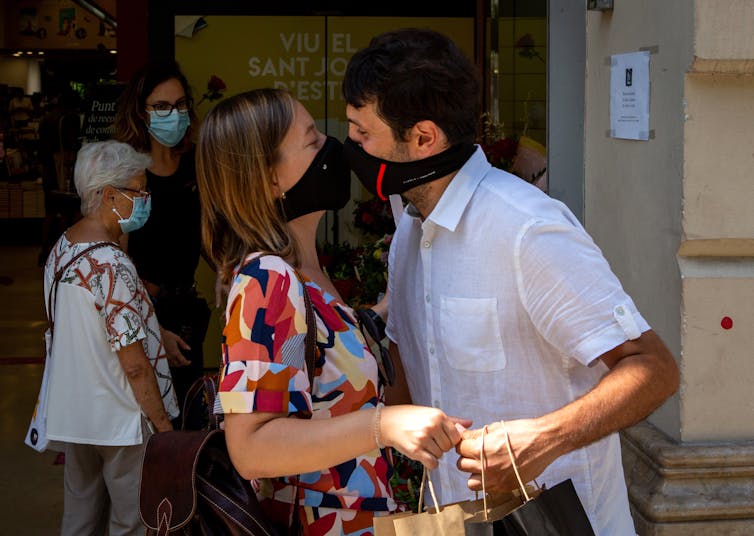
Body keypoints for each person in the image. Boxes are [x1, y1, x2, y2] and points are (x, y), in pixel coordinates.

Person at [341, 27, 679, 535]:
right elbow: (409, 375)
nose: (352, 146)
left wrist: (542, 439)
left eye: (362, 132)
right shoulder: (410, 227)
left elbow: (653, 368)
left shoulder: (527, 229)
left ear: (424, 137)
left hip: (563, 523)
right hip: (455, 522)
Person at [195, 87, 471, 535]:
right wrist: (384, 426)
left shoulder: (305, 276)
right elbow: (252, 446)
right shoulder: (269, 280)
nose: (333, 147)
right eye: (311, 140)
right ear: (268, 178)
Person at [43, 139, 178, 535]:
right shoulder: (111, 264)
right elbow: (134, 366)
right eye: (137, 191)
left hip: (75, 415)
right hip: (121, 419)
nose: (144, 199)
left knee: (80, 517)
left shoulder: (63, 248)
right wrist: (164, 429)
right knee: (131, 521)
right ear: (108, 195)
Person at [112, 59, 211, 421]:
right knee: (153, 424)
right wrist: (155, 330)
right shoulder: (127, 173)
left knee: (190, 415)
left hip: (188, 312)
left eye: (181, 104)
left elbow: (204, 235)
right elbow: (116, 263)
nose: (174, 113)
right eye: (162, 106)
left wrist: (233, 274)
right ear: (141, 113)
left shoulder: (196, 164)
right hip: (143, 314)